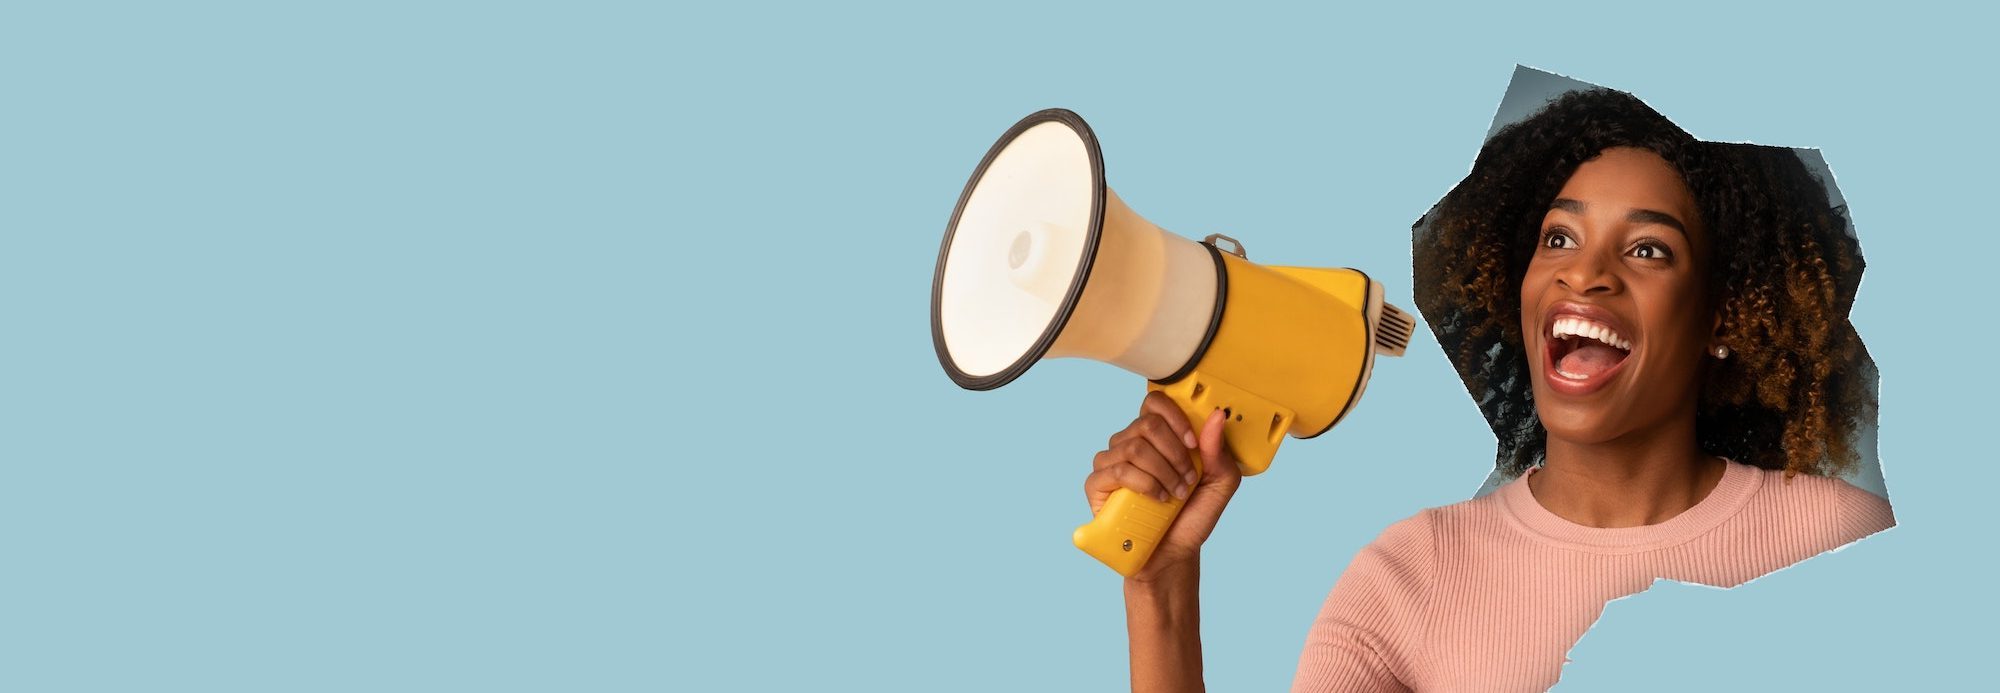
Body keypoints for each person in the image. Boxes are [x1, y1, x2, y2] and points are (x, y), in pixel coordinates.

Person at [1082, 88, 1895, 692]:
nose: (1585, 272)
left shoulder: (1842, 543)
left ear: (1725, 313)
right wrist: (1160, 589)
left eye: (1647, 249)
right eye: (1559, 237)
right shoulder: (1411, 577)